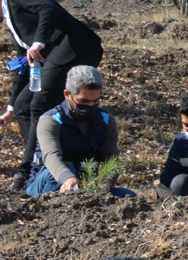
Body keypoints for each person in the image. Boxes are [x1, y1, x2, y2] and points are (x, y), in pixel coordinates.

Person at [0, 0, 103, 189]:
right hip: (57, 57)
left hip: (76, 47)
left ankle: (28, 169)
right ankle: (43, 159)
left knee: (39, 105)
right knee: (24, 107)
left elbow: (47, 8)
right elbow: (24, 67)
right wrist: (10, 108)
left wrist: (39, 43)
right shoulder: (14, 25)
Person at [25, 66, 124, 196]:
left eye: (95, 101)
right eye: (83, 101)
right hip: (47, 183)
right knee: (55, 176)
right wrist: (67, 178)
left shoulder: (106, 120)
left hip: (87, 184)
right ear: (67, 95)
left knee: (126, 195)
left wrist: (102, 187)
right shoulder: (51, 120)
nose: (90, 106)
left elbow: (111, 161)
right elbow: (51, 156)